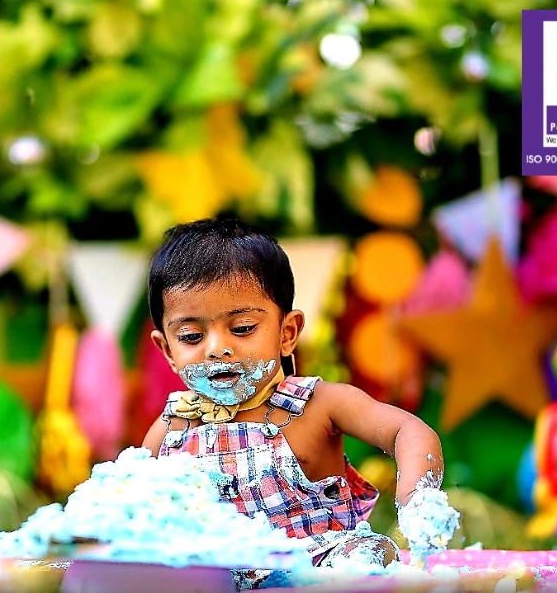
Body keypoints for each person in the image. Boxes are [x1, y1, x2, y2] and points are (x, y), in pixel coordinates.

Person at [141, 218, 444, 585]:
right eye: (191, 336)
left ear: (288, 333)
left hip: (318, 564)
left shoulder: (318, 404)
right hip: (215, 574)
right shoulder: (173, 427)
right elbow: (138, 510)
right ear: (167, 350)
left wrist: (417, 500)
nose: (217, 349)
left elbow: (407, 430)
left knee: (365, 556)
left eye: (242, 329)